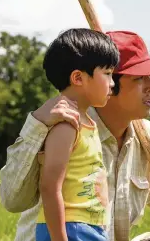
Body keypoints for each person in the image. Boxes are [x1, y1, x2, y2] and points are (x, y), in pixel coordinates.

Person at [0, 31, 150, 241]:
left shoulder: (148, 135)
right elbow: (12, 200)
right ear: (111, 84)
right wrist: (36, 124)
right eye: (139, 78)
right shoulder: (64, 123)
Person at [34, 28, 119, 241]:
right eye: (107, 74)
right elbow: (49, 186)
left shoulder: (87, 122)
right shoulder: (67, 125)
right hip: (71, 228)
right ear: (78, 78)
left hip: (88, 227)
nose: (113, 83)